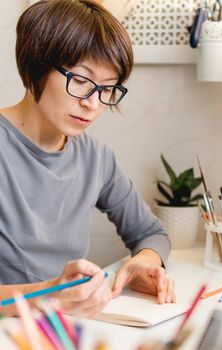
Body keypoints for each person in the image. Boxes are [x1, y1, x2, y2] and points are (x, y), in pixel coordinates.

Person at [0, 0, 175, 318]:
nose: (94, 104)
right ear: (36, 66)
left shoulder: (97, 158)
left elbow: (151, 234)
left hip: (72, 330)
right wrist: (48, 295)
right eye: (80, 80)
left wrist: (144, 262)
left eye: (108, 89)